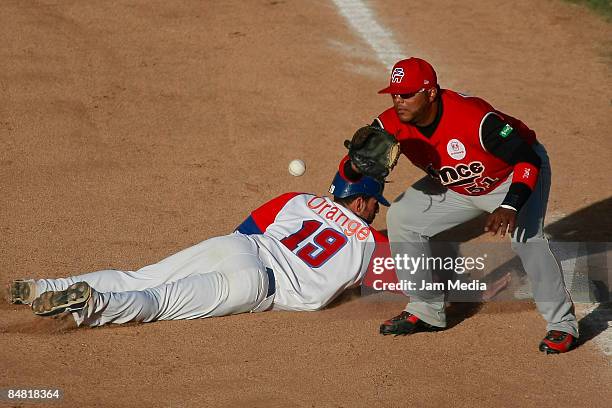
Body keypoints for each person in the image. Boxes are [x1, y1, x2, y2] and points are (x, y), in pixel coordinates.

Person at [340, 57, 577, 354]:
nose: (399, 101)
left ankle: (562, 324)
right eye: (395, 94)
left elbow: (527, 159)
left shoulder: (474, 118)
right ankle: (426, 309)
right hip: (458, 186)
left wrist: (510, 205)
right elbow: (354, 165)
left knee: (528, 240)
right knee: (402, 217)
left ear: (431, 93)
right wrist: (353, 167)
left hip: (509, 179)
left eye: (408, 94)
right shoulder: (390, 125)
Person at [9, 172, 391, 327]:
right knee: (156, 302)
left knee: (137, 276)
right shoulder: (371, 244)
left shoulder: (299, 199)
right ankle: (93, 304)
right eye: (376, 203)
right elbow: (413, 275)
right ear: (360, 203)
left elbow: (245, 230)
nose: (376, 211)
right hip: (256, 284)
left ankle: (43, 285)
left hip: (236, 246)